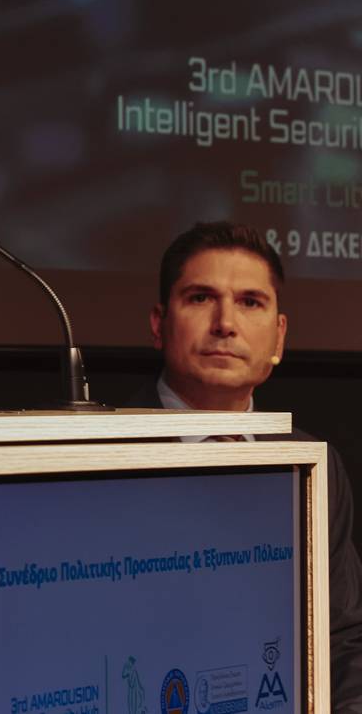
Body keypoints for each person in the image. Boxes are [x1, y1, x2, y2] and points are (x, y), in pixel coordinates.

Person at [142, 221, 360, 708]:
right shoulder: (87, 455)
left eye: (250, 302)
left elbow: (343, 635)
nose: (225, 323)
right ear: (159, 324)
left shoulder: (314, 465)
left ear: (278, 337)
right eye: (201, 298)